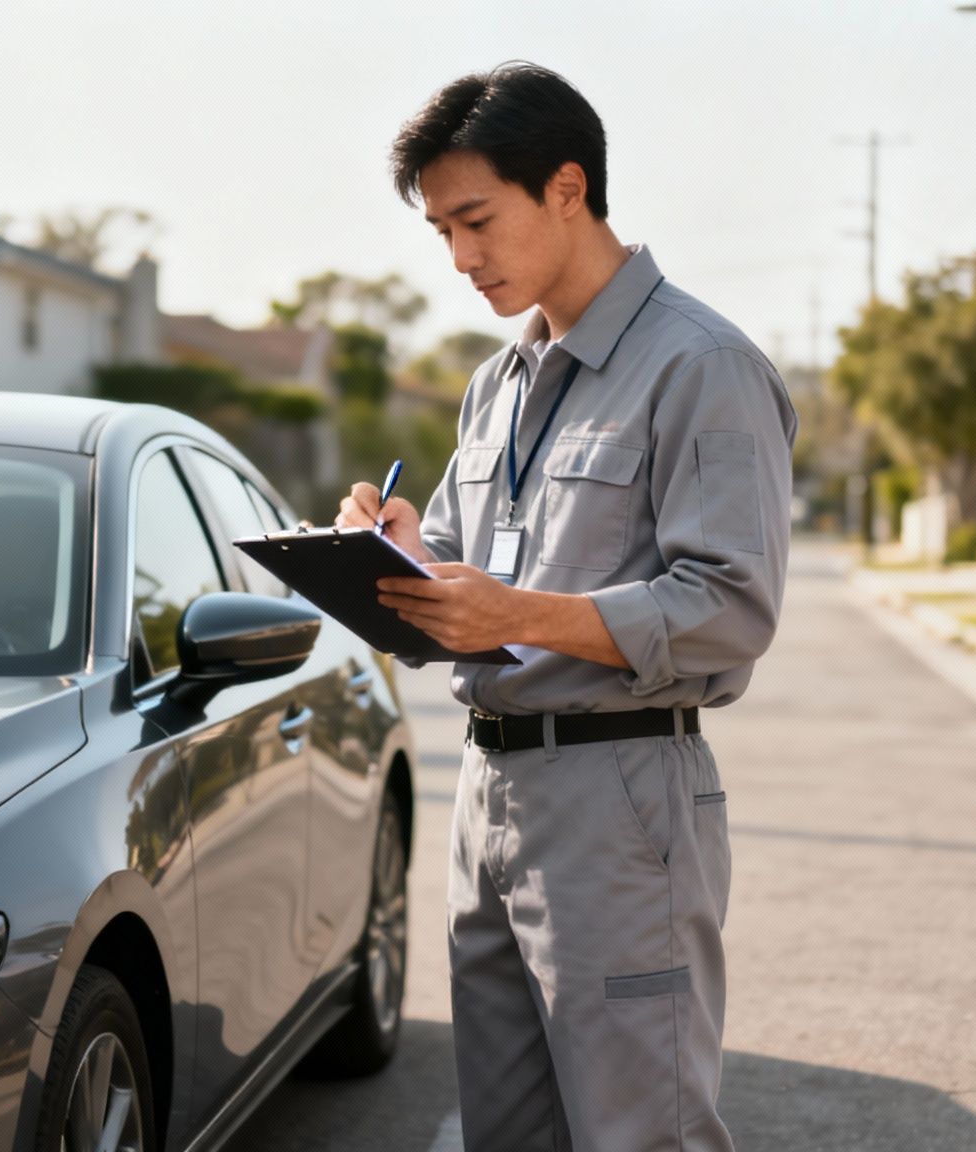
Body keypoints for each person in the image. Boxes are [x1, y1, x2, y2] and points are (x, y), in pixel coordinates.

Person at [336, 62, 797, 1152]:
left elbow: (730, 606)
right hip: (487, 792)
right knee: (505, 1132)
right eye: (440, 231)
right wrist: (392, 554)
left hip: (618, 800)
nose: (459, 258)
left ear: (565, 188)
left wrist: (517, 614)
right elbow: (460, 563)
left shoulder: (702, 366)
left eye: (475, 220)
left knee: (640, 1134)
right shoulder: (497, 384)